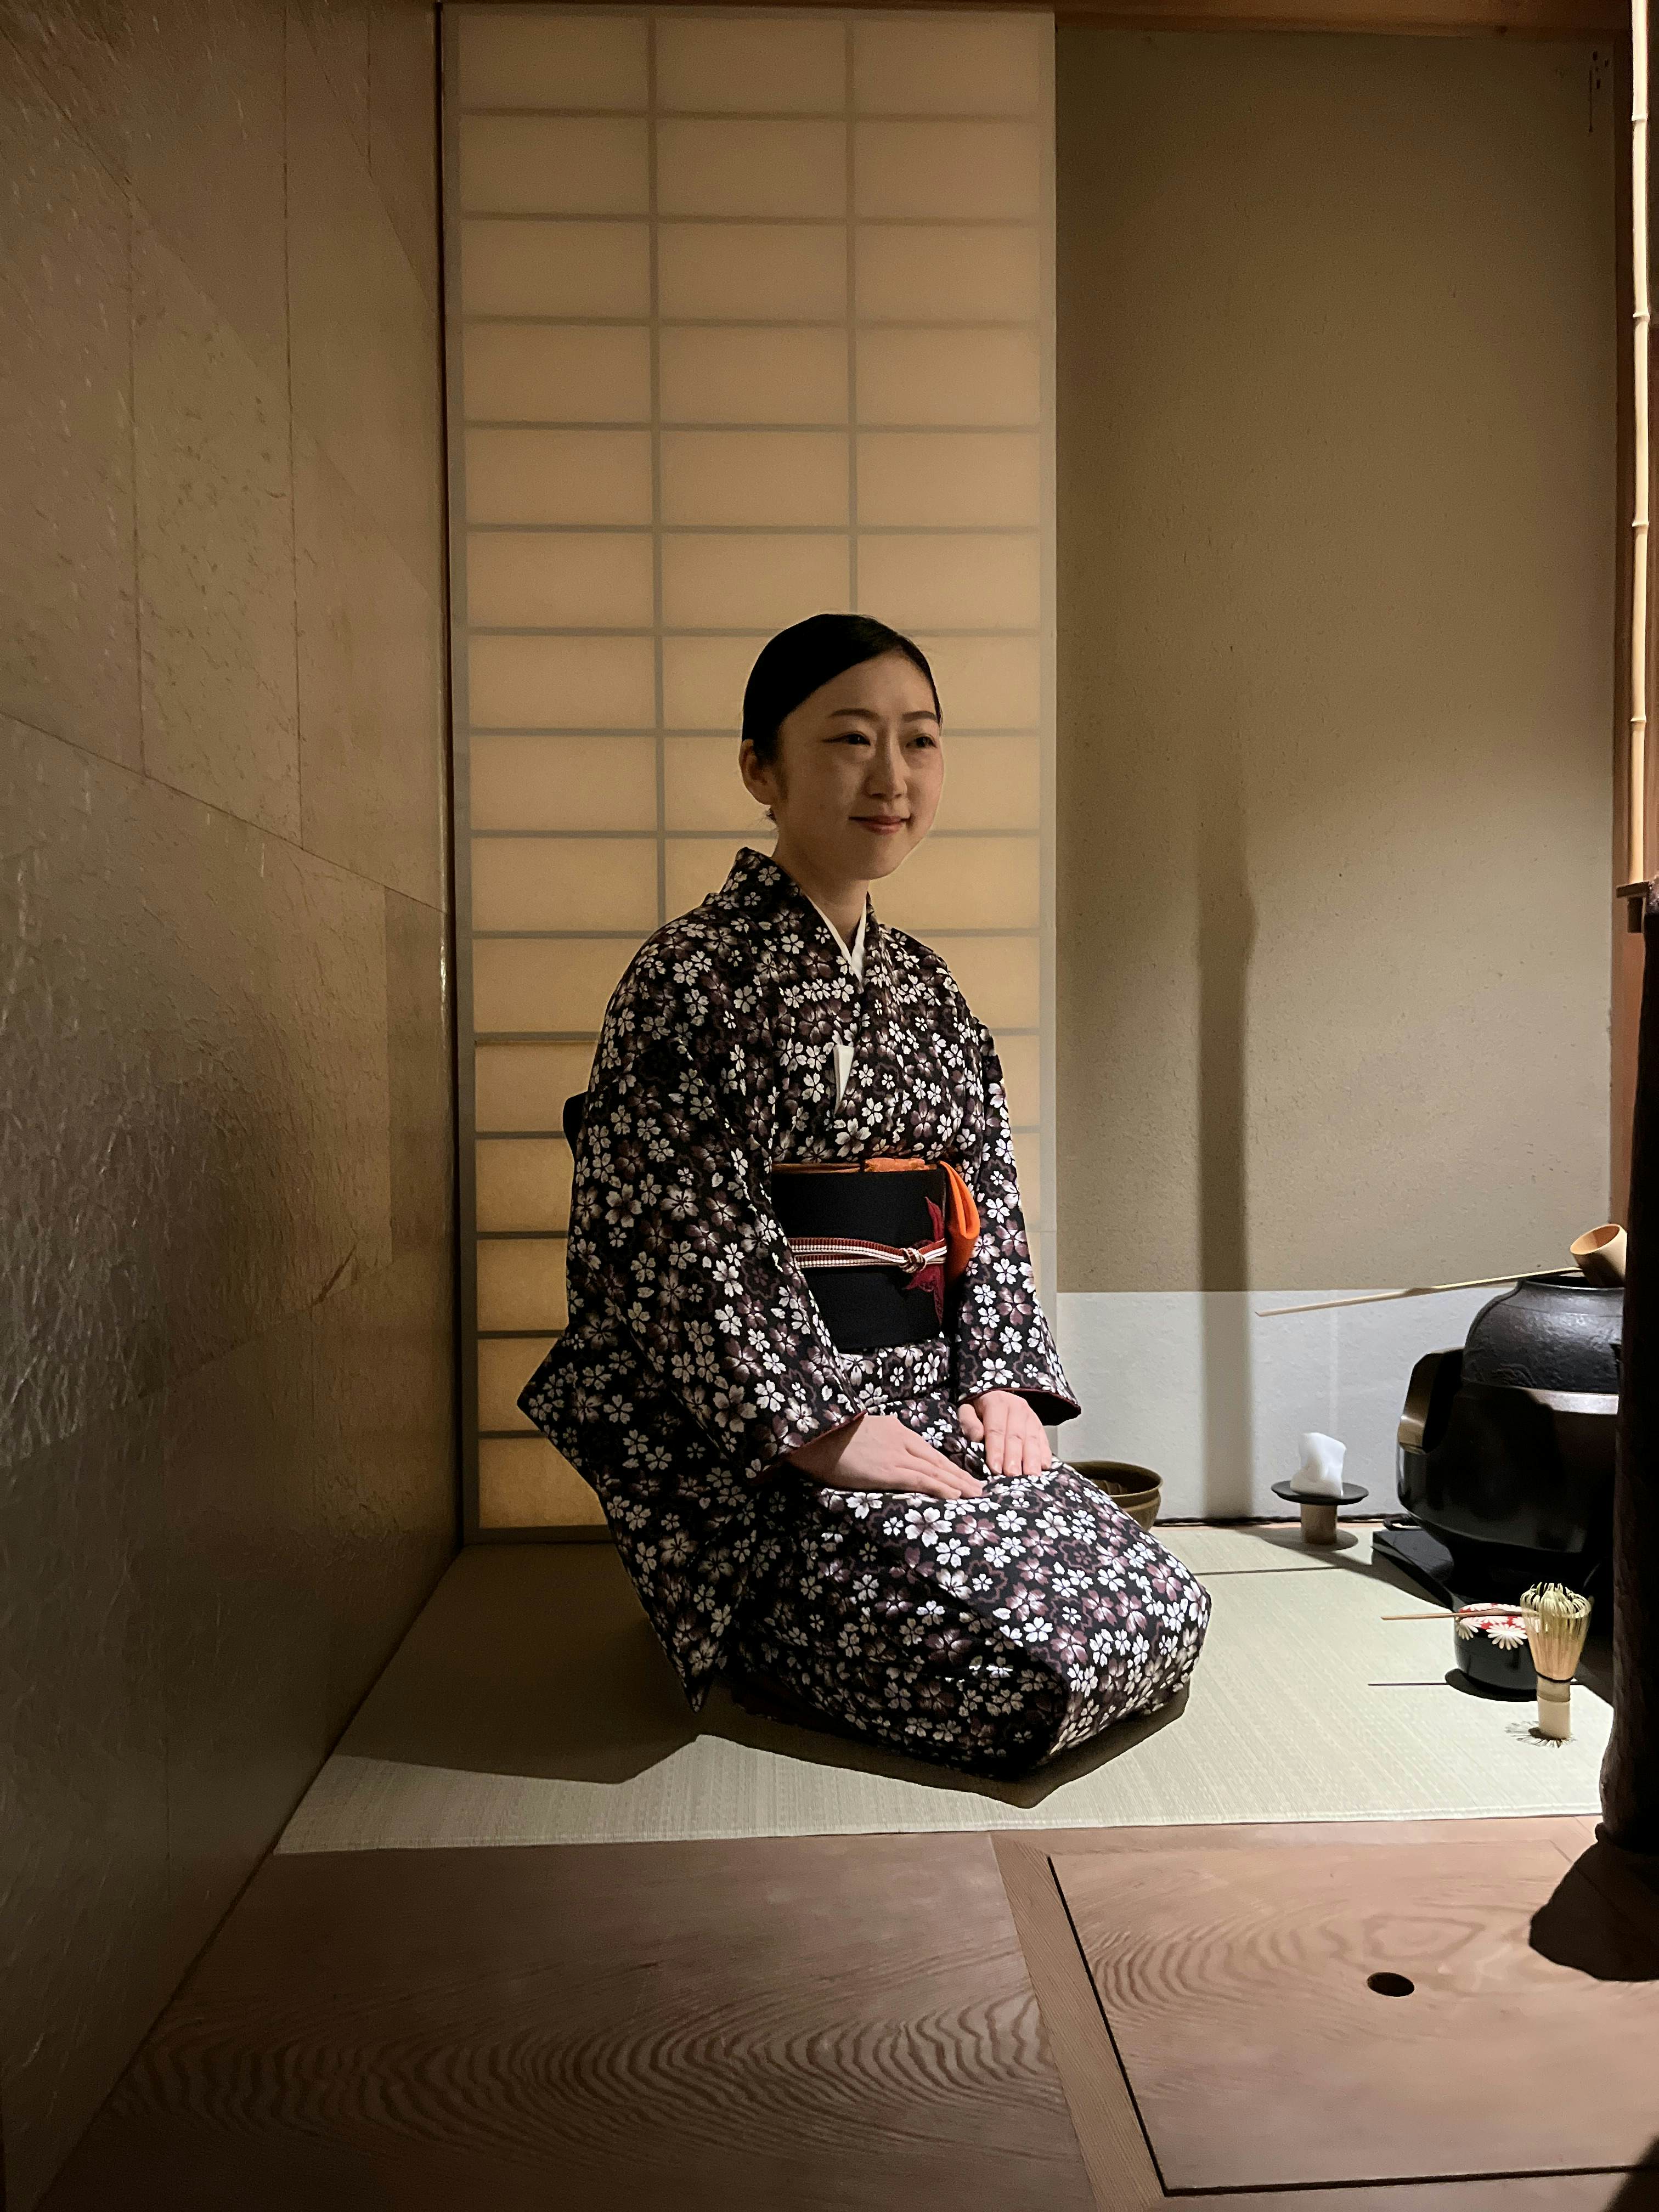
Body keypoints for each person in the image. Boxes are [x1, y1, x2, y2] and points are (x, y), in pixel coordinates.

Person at [520, 614, 1210, 1778]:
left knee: (1160, 1610)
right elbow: (680, 1237)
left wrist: (996, 1379)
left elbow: (981, 1192)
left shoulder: (927, 989)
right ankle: (747, 1615)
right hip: (760, 1455)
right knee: (1025, 1675)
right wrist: (821, 1428)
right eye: (849, 739)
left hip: (926, 1416)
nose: (892, 778)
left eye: (921, 743)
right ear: (761, 767)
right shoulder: (686, 979)